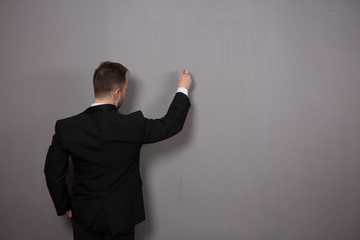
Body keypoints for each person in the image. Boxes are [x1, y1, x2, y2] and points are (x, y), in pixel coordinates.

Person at [44, 61, 192, 240]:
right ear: (117, 93)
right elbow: (171, 124)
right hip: (122, 217)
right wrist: (182, 89)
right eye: (125, 90)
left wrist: (64, 206)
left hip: (84, 215)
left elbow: (52, 172)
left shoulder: (67, 128)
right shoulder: (133, 125)